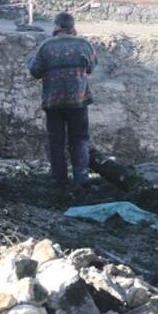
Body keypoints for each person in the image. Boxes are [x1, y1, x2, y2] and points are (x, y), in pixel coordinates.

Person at [28, 12, 98, 189]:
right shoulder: (84, 44)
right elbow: (90, 68)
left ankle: (59, 181)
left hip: (54, 103)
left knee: (56, 142)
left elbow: (35, 71)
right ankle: (81, 181)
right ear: (72, 26)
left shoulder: (46, 46)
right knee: (80, 139)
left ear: (57, 26)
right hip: (78, 101)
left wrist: (31, 61)